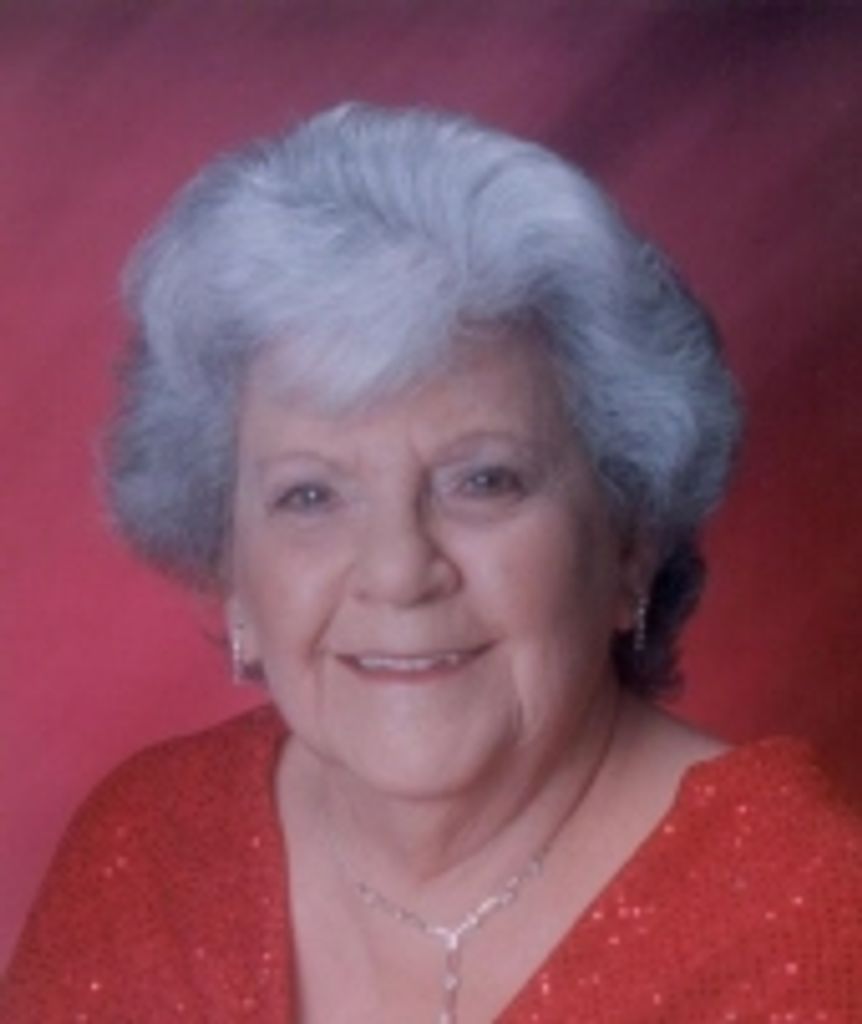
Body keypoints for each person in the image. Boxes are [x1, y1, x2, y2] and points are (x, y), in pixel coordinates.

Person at [2, 103, 860, 1024]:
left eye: (483, 481)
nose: (399, 572)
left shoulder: (813, 922)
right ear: (233, 567)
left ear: (628, 540)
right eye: (310, 495)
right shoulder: (151, 855)